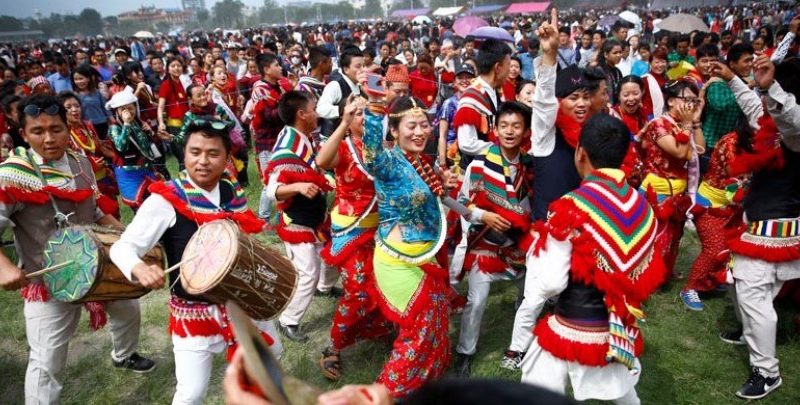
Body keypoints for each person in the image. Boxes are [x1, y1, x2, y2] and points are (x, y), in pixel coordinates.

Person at [109, 117, 281, 405]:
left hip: (240, 300)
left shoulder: (230, 190)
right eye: (195, 152)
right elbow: (123, 247)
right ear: (183, 154)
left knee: (270, 360)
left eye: (213, 154)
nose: (203, 161)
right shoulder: (166, 199)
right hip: (195, 313)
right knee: (192, 393)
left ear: (227, 158)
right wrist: (139, 267)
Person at [0, 94, 154, 405]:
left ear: (67, 127)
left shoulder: (80, 163)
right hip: (49, 281)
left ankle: (124, 355)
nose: (48, 138)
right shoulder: (12, 174)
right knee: (47, 359)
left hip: (96, 265)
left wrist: (129, 237)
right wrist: (4, 267)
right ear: (24, 134)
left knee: (128, 308)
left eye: (56, 129)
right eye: (38, 131)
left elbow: (94, 211)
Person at [518, 113, 665, 405]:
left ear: (580, 152)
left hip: (574, 323)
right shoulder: (641, 206)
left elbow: (550, 282)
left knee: (536, 388)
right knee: (623, 392)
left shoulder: (571, 206)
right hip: (618, 325)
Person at [504, 10, 598, 369]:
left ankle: (567, 340)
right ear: (560, 103)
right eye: (572, 97)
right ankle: (516, 350)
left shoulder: (591, 136)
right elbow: (543, 101)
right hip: (550, 230)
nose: (580, 103)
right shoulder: (545, 136)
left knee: (577, 287)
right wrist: (549, 54)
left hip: (584, 229)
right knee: (539, 292)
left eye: (585, 96)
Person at [358, 91, 458, 399]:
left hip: (425, 254)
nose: (419, 132)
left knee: (436, 323)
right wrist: (374, 107)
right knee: (419, 332)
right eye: (411, 126)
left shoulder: (420, 161)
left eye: (424, 125)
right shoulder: (388, 162)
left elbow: (431, 199)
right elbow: (371, 153)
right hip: (399, 261)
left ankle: (427, 389)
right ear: (394, 130)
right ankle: (385, 396)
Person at [718, 55, 800, 399]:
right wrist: (732, 78)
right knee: (739, 284)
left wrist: (771, 87)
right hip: (760, 219)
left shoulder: (794, 126)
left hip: (778, 225)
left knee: (753, 293)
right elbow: (757, 109)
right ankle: (749, 332)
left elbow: (789, 118)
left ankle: (767, 372)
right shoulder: (774, 123)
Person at [315, 96, 393, 381]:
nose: (364, 117)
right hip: (352, 231)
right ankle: (333, 347)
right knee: (358, 291)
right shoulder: (344, 147)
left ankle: (380, 330)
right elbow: (322, 161)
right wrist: (343, 123)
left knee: (384, 285)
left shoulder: (384, 148)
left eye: (368, 112)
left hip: (383, 230)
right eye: (357, 113)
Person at [452, 102, 533, 377]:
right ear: (495, 130)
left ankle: (520, 344)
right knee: (476, 301)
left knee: (531, 295)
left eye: (516, 126)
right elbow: (460, 203)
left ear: (525, 131)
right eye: (504, 126)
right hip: (485, 245)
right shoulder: (478, 165)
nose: (510, 131)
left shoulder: (529, 166)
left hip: (518, 246)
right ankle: (465, 352)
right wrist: (483, 215)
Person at [265, 91, 339, 342]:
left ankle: (325, 288)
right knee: (308, 273)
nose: (317, 113)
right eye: (314, 109)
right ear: (302, 114)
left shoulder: (303, 138)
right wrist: (298, 186)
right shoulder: (287, 149)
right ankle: (288, 320)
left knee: (332, 256)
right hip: (297, 221)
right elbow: (271, 191)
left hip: (314, 216)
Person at [638, 79, 705, 276]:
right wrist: (687, 124)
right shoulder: (659, 124)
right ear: (671, 101)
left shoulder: (682, 124)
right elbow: (680, 152)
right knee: (656, 236)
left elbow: (700, 149)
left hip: (678, 190)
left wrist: (695, 122)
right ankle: (648, 276)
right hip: (658, 192)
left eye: (695, 101)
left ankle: (665, 272)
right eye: (687, 99)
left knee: (674, 235)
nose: (691, 105)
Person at [453, 39, 511, 170]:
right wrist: (502, 149)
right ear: (498, 68)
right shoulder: (471, 98)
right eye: (508, 66)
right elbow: (467, 143)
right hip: (477, 170)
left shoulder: (495, 91)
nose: (509, 72)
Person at [58, 91, 119, 216]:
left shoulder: (87, 125)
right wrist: (89, 165)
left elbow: (98, 148)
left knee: (114, 213)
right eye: (68, 107)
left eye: (77, 106)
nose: (74, 110)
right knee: (98, 218)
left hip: (103, 178)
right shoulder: (62, 133)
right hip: (84, 182)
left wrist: (116, 156)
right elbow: (66, 161)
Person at [107, 91, 162, 209]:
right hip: (129, 174)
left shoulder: (138, 122)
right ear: (117, 112)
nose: (128, 112)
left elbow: (147, 146)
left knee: (157, 199)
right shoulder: (114, 128)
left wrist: (150, 132)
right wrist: (126, 124)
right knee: (141, 207)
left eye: (130, 108)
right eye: (123, 109)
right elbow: (121, 146)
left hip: (146, 168)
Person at [250, 53, 286, 221]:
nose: (280, 68)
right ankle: (262, 218)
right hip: (266, 142)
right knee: (270, 181)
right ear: (266, 69)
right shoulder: (260, 90)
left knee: (283, 179)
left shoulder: (278, 87)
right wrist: (287, 107)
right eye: (276, 65)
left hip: (280, 140)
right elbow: (269, 116)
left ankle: (282, 215)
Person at [316, 46, 363, 139]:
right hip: (334, 139)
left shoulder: (361, 86)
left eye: (364, 66)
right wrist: (342, 110)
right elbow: (320, 109)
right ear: (346, 69)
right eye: (358, 66)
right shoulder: (335, 85)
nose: (362, 70)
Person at [437, 63, 475, 169]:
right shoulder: (449, 104)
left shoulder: (478, 102)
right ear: (454, 82)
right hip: (453, 155)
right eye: (460, 78)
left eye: (468, 77)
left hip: (473, 152)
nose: (464, 80)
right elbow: (442, 135)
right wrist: (442, 162)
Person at [157, 57, 190, 166]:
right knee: (182, 155)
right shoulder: (165, 85)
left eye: (178, 66)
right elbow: (160, 107)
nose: (176, 68)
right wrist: (161, 122)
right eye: (173, 66)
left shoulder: (183, 82)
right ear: (168, 69)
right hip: (175, 125)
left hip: (186, 122)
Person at [72, 64, 111, 139]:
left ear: (88, 78)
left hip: (102, 124)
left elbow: (105, 107)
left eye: (81, 78)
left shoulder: (97, 92)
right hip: (86, 127)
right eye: (76, 79)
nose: (78, 82)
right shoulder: (74, 96)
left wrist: (111, 119)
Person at [596, 40, 624, 105]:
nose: (618, 55)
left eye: (620, 52)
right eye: (615, 53)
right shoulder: (599, 71)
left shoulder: (618, 71)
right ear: (606, 54)